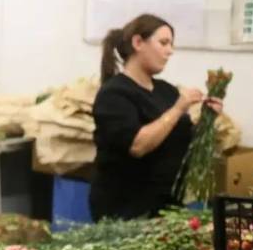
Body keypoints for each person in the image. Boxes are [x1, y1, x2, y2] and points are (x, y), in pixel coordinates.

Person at [90, 14, 223, 221]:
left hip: (166, 207)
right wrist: (178, 109)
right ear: (138, 43)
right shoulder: (114, 94)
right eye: (163, 43)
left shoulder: (167, 91)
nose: (170, 51)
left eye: (171, 44)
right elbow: (138, 145)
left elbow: (181, 142)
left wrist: (208, 120)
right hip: (126, 210)